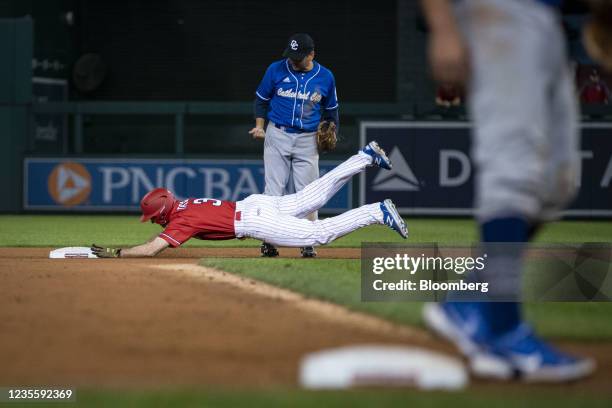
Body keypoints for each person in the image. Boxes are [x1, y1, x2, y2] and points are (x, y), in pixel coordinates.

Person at [420, 0, 595, 382]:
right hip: (499, 12)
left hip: (549, 20)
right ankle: (503, 334)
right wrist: (443, 26)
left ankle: (465, 303)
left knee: (556, 183)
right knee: (512, 172)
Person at [91, 142, 407, 258]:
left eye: (154, 217)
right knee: (314, 195)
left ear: (161, 212)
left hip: (254, 219)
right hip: (255, 204)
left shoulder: (181, 219)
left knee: (318, 233)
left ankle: (377, 211)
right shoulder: (183, 205)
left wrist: (119, 253)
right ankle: (363, 157)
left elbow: (150, 250)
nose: (156, 221)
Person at [248, 33, 339, 259]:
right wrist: (260, 126)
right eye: (291, 55)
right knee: (273, 191)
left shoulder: (325, 76)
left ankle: (308, 241)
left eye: (299, 57)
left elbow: (331, 111)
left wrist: (332, 129)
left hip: (308, 139)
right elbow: (261, 99)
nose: (293, 60)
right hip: (277, 133)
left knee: (308, 193)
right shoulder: (276, 69)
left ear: (312, 54)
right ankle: (268, 241)